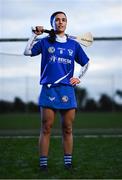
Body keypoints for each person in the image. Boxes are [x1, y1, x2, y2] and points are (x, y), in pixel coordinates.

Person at [24, 11, 90, 170]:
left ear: (66, 23)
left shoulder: (74, 45)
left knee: (67, 128)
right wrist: (34, 35)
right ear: (52, 23)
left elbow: (86, 62)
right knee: (46, 128)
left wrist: (78, 77)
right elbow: (27, 51)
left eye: (63, 20)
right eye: (57, 20)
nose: (60, 22)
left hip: (67, 90)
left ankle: (68, 163)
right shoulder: (46, 42)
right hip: (49, 89)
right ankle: (43, 165)